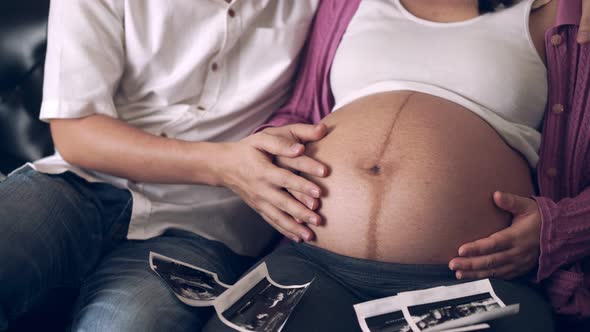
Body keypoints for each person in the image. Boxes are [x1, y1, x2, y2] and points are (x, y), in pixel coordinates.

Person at [202, 0, 589, 331]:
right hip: (313, 262)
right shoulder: (345, 4)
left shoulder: (565, 14)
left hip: (471, 282)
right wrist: (267, 153)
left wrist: (564, 226)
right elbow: (300, 111)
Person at [0, 1, 330, 331]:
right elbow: (76, 134)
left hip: (201, 228)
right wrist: (224, 165)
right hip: (76, 183)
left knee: (125, 325)